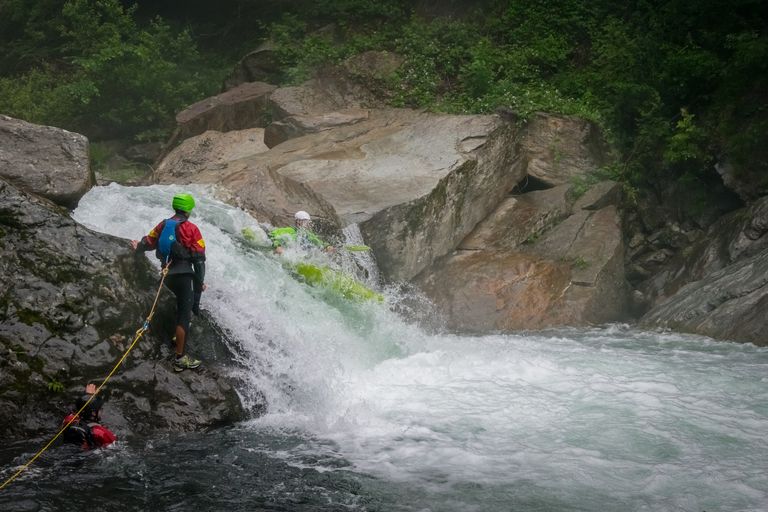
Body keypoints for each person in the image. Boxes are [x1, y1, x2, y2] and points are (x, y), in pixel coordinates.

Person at [131, 193, 206, 371]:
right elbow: (199, 260)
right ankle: (180, 358)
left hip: (166, 275)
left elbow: (148, 241)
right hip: (184, 276)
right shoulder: (192, 229)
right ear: (189, 209)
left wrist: (137, 247)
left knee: (172, 308)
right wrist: (199, 283)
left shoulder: (163, 224)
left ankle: (174, 338)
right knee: (184, 315)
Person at [61, 383, 117, 450]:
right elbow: (114, 446)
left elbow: (78, 408)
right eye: (100, 409)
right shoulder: (99, 432)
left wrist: (88, 397)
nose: (102, 411)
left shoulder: (69, 420)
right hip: (86, 457)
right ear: (93, 413)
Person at [268, 211, 335, 255]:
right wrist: (278, 246)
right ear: (298, 222)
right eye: (305, 222)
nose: (307, 224)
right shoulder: (290, 230)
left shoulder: (308, 235)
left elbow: (320, 242)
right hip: (287, 252)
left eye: (308, 222)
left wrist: (327, 246)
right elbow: (271, 234)